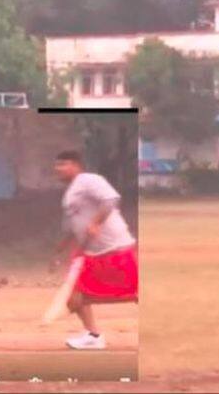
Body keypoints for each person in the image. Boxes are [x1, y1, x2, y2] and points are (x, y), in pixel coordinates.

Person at [52, 150, 138, 350]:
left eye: (63, 164)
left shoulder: (88, 180)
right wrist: (60, 249)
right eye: (57, 165)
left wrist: (96, 222)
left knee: (136, 291)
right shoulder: (70, 193)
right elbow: (72, 225)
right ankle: (93, 335)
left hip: (115, 246)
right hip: (89, 252)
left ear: (76, 165)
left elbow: (111, 199)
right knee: (74, 298)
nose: (58, 169)